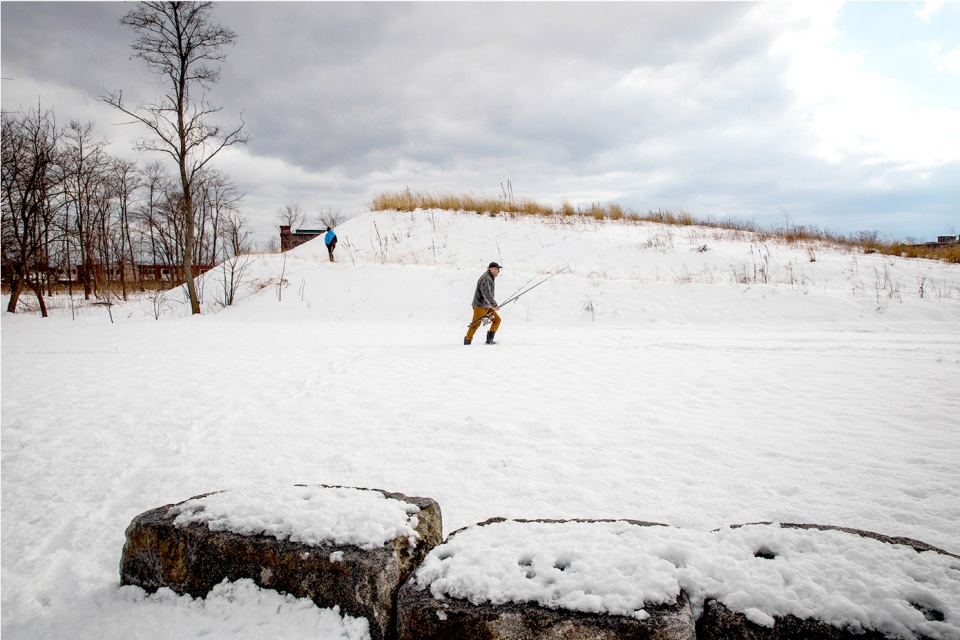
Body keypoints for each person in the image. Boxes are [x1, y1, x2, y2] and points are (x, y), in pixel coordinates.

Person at [465, 262, 502, 345]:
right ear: (492, 269)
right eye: (497, 269)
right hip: (480, 306)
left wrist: (491, 305)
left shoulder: (490, 277)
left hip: (487, 306)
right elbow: (486, 294)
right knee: (475, 324)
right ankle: (467, 340)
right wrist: (494, 305)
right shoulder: (486, 278)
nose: (499, 271)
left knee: (497, 320)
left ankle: (489, 340)